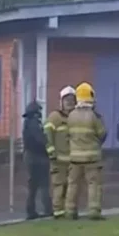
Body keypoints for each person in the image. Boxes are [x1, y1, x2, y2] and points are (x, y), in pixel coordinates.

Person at [65, 82, 107, 220]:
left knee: (73, 184)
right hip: (92, 157)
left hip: (74, 157)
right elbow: (102, 133)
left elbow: (68, 135)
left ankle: (70, 211)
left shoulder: (71, 116)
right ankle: (94, 210)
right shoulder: (94, 116)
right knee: (93, 184)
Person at [44, 86, 76, 219]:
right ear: (61, 102)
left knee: (71, 187)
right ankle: (58, 211)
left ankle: (69, 211)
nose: (69, 102)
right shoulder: (55, 117)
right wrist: (51, 152)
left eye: (71, 100)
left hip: (73, 160)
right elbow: (47, 135)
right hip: (58, 160)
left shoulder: (76, 117)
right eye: (66, 100)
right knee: (59, 185)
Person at [22, 100, 53, 220]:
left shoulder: (27, 123)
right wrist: (48, 146)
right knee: (44, 184)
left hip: (30, 156)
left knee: (33, 185)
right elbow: (40, 139)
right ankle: (47, 209)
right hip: (38, 157)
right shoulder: (34, 123)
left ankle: (31, 211)